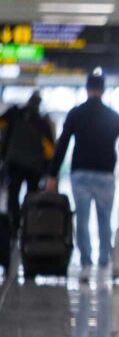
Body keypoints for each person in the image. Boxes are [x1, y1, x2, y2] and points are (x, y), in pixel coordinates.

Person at [45, 70, 119, 282]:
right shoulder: (113, 116)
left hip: (80, 174)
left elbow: (62, 145)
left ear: (87, 89)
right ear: (103, 90)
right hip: (106, 176)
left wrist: (52, 174)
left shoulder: (76, 113)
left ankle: (86, 262)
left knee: (82, 218)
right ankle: (104, 260)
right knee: (104, 219)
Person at [0, 91, 55, 239]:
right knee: (32, 196)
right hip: (34, 167)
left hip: (14, 163)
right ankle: (29, 224)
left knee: (13, 194)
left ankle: (14, 226)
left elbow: (1, 124)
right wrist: (49, 170)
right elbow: (50, 150)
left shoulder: (15, 114)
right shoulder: (42, 122)